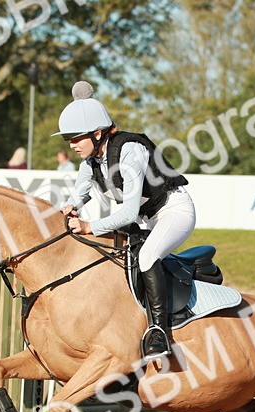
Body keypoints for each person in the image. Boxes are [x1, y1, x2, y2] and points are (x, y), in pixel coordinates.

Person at [55, 81, 192, 362]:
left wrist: (88, 226)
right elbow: (78, 196)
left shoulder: (129, 149)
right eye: (68, 139)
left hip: (174, 210)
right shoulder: (90, 162)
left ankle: (159, 332)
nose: (71, 145)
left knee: (147, 257)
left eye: (76, 138)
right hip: (147, 218)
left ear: (97, 134)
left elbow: (128, 213)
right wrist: (69, 209)